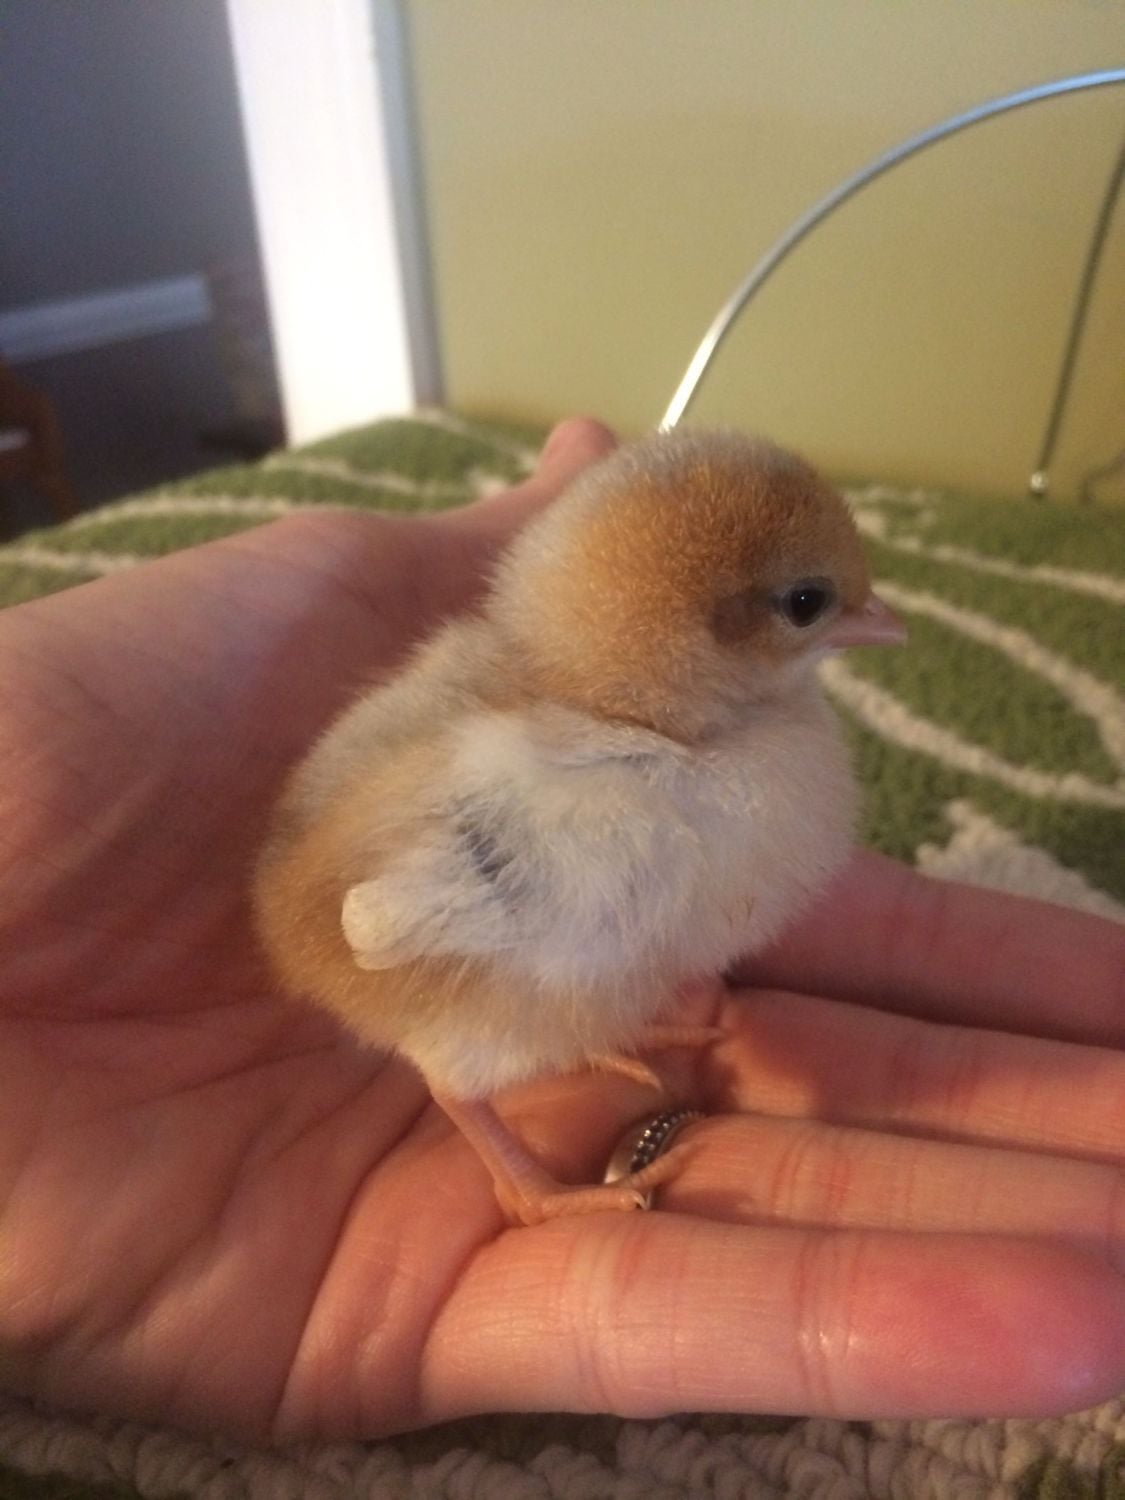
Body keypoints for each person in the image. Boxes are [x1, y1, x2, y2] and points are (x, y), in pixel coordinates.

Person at [0, 418, 1122, 1441]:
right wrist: (513, 1143)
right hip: (414, 949)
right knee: (484, 1035)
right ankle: (516, 1169)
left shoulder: (620, 706)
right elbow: (370, 915)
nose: (871, 621)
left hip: (412, 874)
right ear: (701, 633)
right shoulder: (607, 804)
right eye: (808, 606)